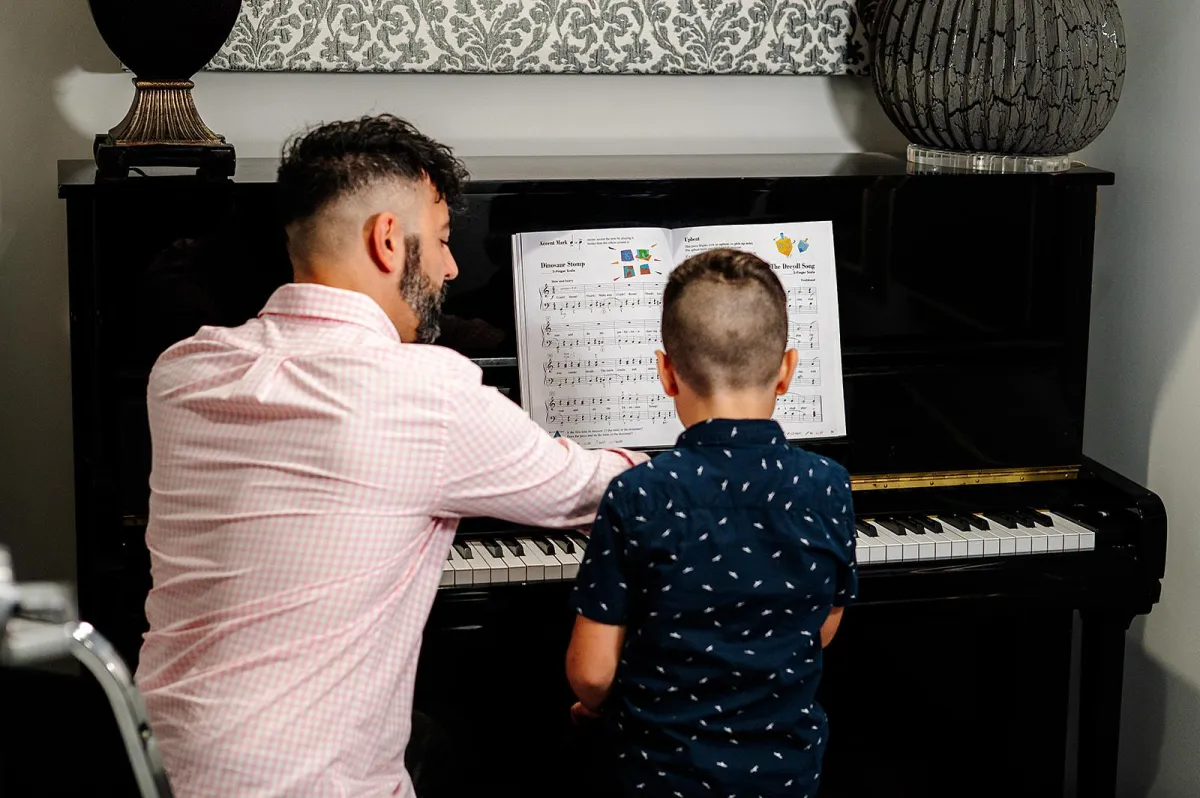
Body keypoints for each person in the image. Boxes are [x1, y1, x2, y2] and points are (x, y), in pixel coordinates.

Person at [135, 114, 646, 798]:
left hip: (159, 767)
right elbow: (604, 492)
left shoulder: (184, 371)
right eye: (440, 241)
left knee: (436, 738)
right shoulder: (425, 392)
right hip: (309, 787)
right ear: (385, 240)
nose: (452, 266)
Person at [565, 248, 858, 798]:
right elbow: (823, 626)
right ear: (788, 370)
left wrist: (593, 706)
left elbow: (592, 673)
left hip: (659, 774)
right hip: (785, 771)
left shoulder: (639, 493)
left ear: (667, 373)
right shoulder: (828, 485)